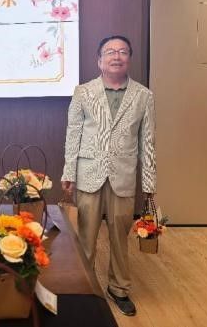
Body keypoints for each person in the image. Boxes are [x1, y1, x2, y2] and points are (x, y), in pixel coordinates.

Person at [61, 35, 156, 316]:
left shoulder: (143, 96)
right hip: (88, 172)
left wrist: (149, 181)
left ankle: (119, 288)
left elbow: (148, 142)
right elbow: (73, 135)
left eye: (123, 51)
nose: (117, 56)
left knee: (119, 235)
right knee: (85, 235)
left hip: (123, 176)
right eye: (110, 51)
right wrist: (69, 171)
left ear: (129, 59)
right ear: (99, 60)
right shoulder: (83, 92)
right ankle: (84, 287)